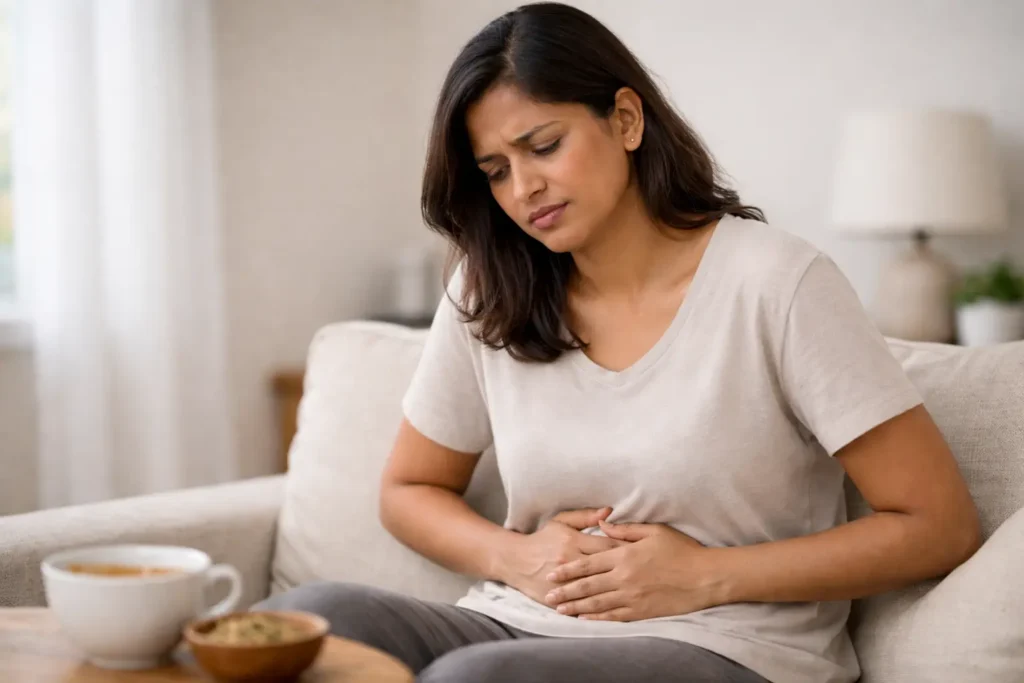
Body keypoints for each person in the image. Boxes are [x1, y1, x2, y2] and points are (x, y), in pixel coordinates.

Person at [258, 4, 981, 682]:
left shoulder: (777, 282)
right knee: (303, 621)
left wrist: (704, 573)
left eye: (543, 146)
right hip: (518, 623)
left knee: (469, 679)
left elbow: (937, 523)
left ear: (626, 118)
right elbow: (407, 488)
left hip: (726, 644)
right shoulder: (491, 287)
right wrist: (519, 557)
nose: (523, 189)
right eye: (496, 171)